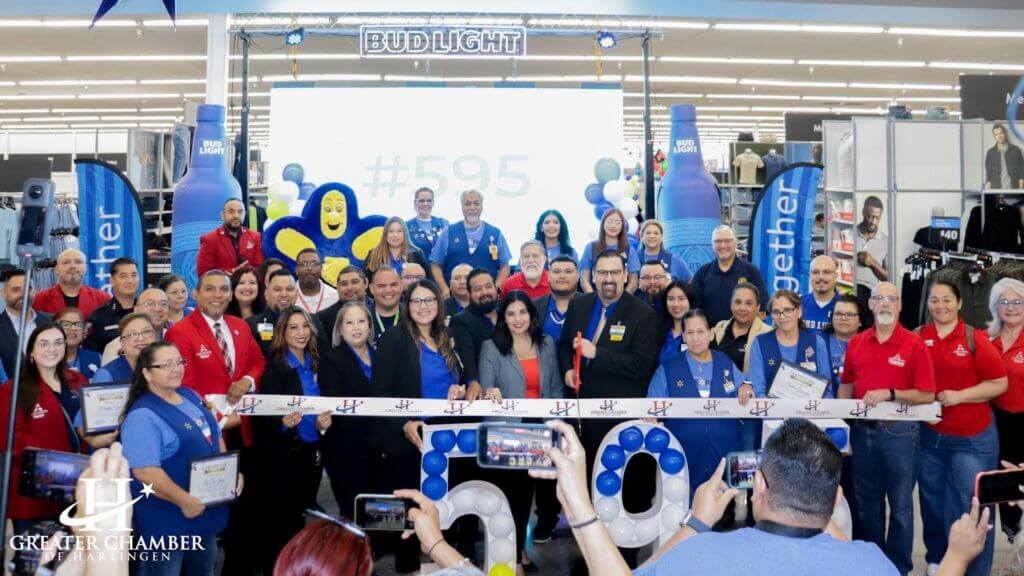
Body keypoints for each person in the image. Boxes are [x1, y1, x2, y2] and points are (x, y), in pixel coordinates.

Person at [533, 419, 990, 576]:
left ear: (760, 488)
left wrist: (695, 523)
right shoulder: (871, 563)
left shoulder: (703, 556)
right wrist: (957, 555)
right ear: (835, 499)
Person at [557, 249, 659, 568]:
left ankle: (624, 559)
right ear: (593, 276)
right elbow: (564, 346)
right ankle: (590, 553)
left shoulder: (643, 315)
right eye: (603, 273)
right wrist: (567, 369)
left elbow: (641, 366)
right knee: (586, 489)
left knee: (624, 491)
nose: (609, 279)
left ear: (626, 276)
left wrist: (596, 354)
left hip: (620, 422)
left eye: (615, 272)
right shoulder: (579, 305)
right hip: (582, 419)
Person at [164, 269, 265, 575]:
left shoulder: (240, 326)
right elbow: (185, 388)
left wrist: (247, 380)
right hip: (206, 436)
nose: (218, 295)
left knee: (243, 508)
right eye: (210, 289)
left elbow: (258, 362)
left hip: (243, 432)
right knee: (207, 510)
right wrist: (220, 420)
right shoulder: (180, 332)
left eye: (223, 289)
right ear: (196, 294)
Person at [838, 281, 936, 575]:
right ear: (870, 305)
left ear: (900, 305)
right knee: (867, 504)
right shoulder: (857, 342)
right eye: (879, 298)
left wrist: (890, 393)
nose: (884, 304)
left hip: (901, 434)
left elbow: (927, 394)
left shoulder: (914, 344)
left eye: (891, 299)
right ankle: (874, 564)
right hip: (862, 432)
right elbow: (847, 385)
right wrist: (842, 425)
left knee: (901, 507)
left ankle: (899, 567)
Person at [371, 279, 463, 574]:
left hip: (445, 437)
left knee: (446, 503)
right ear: (407, 305)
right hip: (410, 438)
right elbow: (379, 392)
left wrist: (460, 389)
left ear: (439, 304)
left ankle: (449, 563)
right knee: (409, 508)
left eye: (429, 300)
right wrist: (404, 423)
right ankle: (408, 567)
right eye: (416, 301)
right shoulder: (394, 339)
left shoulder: (447, 337)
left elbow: (458, 379)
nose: (423, 306)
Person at [120, 342, 234, 575]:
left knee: (204, 570)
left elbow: (214, 436)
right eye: (166, 365)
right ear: (147, 373)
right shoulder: (142, 416)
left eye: (179, 362)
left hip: (201, 514)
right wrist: (184, 500)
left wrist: (230, 474)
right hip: (167, 520)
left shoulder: (189, 395)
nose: (176, 369)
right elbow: (145, 472)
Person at [917, 280, 1006, 576]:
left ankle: (976, 570)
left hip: (971, 438)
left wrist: (960, 396)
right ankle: (939, 561)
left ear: (959, 303)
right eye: (934, 300)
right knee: (932, 502)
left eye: (947, 299)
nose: (940, 306)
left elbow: (999, 383)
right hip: (930, 438)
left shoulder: (973, 338)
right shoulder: (918, 337)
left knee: (972, 504)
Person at [479, 292, 563, 571]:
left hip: (540, 428)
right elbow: (486, 387)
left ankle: (519, 551)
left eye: (523, 312)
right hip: (507, 431)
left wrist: (557, 426)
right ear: (503, 318)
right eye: (511, 313)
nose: (518, 319)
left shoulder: (546, 344)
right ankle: (513, 558)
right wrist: (490, 391)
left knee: (527, 495)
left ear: (531, 315)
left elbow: (554, 389)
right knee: (511, 496)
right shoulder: (491, 347)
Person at [255, 306, 335, 572]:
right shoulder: (275, 368)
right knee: (283, 519)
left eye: (305, 326)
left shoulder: (317, 362)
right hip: (286, 455)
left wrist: (324, 425)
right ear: (282, 332)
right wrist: (282, 424)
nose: (301, 333)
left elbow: (324, 405)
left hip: (313, 451)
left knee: (301, 513)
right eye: (293, 327)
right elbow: (263, 420)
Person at [648, 309, 748, 495]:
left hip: (725, 453)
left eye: (701, 332)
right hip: (682, 457)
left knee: (727, 506)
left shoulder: (725, 362)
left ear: (711, 333)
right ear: (683, 336)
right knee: (685, 504)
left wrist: (746, 386)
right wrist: (650, 418)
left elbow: (746, 387)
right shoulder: (668, 368)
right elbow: (651, 408)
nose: (696, 338)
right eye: (690, 333)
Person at [0, 323, 85, 533]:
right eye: (44, 344)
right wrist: (57, 465)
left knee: (76, 552)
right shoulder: (13, 390)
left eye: (58, 343)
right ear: (31, 351)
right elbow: (9, 439)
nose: (52, 349)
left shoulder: (78, 381)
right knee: (36, 553)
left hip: (79, 489)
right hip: (35, 495)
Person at [323, 302, 376, 518]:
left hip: (377, 448)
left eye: (361, 321)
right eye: (349, 323)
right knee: (352, 510)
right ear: (340, 329)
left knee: (376, 509)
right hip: (346, 450)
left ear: (369, 326)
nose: (356, 327)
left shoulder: (380, 355)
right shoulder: (331, 360)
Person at [987, 277, 1024, 541]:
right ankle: (1013, 538)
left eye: (1018, 302)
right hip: (996, 423)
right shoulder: (987, 339)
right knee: (1003, 483)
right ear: (995, 306)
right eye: (1005, 302)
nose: (1011, 308)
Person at [747, 290, 832, 398]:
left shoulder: (817, 342)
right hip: (771, 408)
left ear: (799, 311)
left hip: (809, 408)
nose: (782, 316)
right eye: (776, 312)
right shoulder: (760, 343)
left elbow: (827, 390)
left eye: (787, 310)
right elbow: (757, 389)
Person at [430, 189, 512, 298]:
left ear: (482, 206)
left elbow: (505, 266)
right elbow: (435, 264)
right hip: (455, 298)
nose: (472, 207)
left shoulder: (495, 233)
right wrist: (444, 289)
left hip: (485, 297)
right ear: (462, 206)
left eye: (476, 203)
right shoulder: (448, 232)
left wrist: (496, 289)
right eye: (467, 204)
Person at [691, 226, 768, 325]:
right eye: (718, 241)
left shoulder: (751, 271)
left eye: (727, 241)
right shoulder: (702, 273)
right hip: (711, 333)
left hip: (745, 334)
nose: (723, 245)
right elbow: (694, 311)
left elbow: (762, 312)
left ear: (735, 243)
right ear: (712, 245)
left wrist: (745, 332)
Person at [448, 269, 499, 402]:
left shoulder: (507, 313)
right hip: (481, 393)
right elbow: (466, 357)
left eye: (488, 286)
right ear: (469, 293)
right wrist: (473, 381)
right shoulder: (461, 321)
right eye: (478, 289)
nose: (485, 292)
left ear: (496, 288)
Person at [0, 268, 50, 379]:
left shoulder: (51, 321)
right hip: (12, 389)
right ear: (3, 294)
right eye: (16, 290)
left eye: (28, 288)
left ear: (34, 292)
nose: (23, 294)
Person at [711, 282, 772, 373]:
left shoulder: (768, 335)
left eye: (749, 303)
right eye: (738, 302)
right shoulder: (719, 327)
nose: (742, 308)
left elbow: (771, 369)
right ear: (731, 304)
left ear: (758, 307)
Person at [32, 248, 111, 317]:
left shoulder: (103, 298)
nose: (73, 266)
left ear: (86, 268)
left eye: (78, 262)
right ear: (56, 269)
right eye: (66, 262)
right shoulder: (39, 299)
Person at [100, 288, 170, 365]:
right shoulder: (116, 347)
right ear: (136, 310)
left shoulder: (173, 336)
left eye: (163, 304)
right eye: (149, 303)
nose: (157, 309)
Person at [196, 197, 264, 276]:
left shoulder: (255, 237)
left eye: (240, 212)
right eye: (231, 212)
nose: (236, 215)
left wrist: (244, 273)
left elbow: (260, 268)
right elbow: (203, 273)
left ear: (244, 215)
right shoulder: (209, 239)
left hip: (248, 283)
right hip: (222, 283)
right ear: (222, 215)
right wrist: (231, 272)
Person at [580, 208, 640, 294]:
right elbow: (584, 279)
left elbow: (633, 282)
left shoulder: (629, 251)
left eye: (617, 223)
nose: (613, 225)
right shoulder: (591, 248)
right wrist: (593, 298)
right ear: (603, 223)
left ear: (622, 226)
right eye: (609, 221)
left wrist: (622, 299)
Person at [85, 257, 139, 352]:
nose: (130, 280)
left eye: (134, 275)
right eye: (123, 276)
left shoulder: (147, 310)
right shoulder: (99, 317)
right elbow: (92, 354)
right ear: (111, 281)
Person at [93, 312, 159, 383]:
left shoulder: (164, 367)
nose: (141, 338)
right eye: (132, 334)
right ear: (122, 343)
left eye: (147, 331)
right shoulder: (106, 375)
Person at [247, 269, 299, 357]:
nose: (284, 294)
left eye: (289, 289)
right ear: (266, 294)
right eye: (277, 289)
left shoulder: (311, 322)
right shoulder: (250, 326)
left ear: (297, 294)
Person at [365, 216, 430, 280]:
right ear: (385, 234)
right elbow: (367, 281)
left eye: (399, 231)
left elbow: (427, 281)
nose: (395, 235)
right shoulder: (373, 254)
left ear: (405, 233)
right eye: (391, 231)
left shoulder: (417, 254)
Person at [856, 195, 889, 320]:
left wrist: (872, 263)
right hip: (846, 290)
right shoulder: (848, 233)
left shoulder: (886, 241)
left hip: (868, 294)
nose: (873, 221)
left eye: (876, 218)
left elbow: (888, 277)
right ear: (863, 212)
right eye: (869, 216)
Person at [534, 255, 580, 343]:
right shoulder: (534, 306)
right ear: (548, 276)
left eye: (568, 271)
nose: (562, 276)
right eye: (556, 271)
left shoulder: (591, 305)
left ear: (578, 276)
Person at [316, 265, 369, 340]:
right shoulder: (322, 319)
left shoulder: (380, 309)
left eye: (355, 282)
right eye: (344, 284)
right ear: (337, 287)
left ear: (365, 283)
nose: (350, 288)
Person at [55, 307, 102, 380]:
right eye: (66, 324)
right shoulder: (44, 359)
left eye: (78, 324)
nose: (73, 328)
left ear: (84, 331)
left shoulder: (97, 358)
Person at [656, 281, 694, 365]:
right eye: (671, 299)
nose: (676, 304)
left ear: (690, 301)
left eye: (681, 299)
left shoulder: (698, 331)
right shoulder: (657, 330)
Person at [407, 186, 450, 257]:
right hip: (416, 264)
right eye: (421, 201)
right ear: (415, 202)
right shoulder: (406, 226)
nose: (425, 204)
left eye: (429, 201)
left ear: (433, 202)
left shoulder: (444, 223)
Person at [802, 255, 840, 333]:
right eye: (815, 272)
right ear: (810, 276)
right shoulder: (798, 304)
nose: (821, 277)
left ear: (835, 276)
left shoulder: (846, 307)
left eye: (827, 272)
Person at [295, 247, 339, 314]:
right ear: (296, 270)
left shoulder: (335, 297)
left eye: (314, 264)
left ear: (321, 268)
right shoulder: (288, 296)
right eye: (304, 264)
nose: (309, 268)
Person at [368, 266, 403, 343]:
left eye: (393, 285)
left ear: (401, 286)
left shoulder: (413, 316)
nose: (388, 290)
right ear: (371, 289)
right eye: (381, 286)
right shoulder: (361, 318)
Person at [986, 123, 1024, 190]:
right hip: (996, 191)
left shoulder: (1016, 150)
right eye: (996, 134)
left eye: (1001, 133)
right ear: (994, 136)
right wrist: (988, 192)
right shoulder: (990, 153)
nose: (999, 136)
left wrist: (1020, 190)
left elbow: (1021, 171)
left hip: (1013, 189)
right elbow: (988, 175)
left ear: (1005, 133)